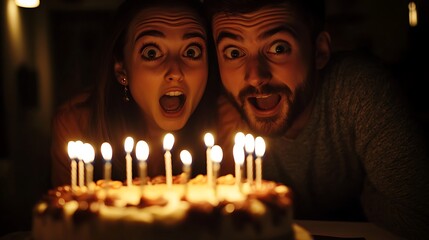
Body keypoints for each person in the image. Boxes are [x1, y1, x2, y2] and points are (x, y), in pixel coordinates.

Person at [203, 0, 429, 238]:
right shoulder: (213, 115)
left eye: (278, 48)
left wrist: (362, 203)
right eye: (234, 53)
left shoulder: (357, 90)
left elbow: (420, 216)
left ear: (319, 51)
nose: (255, 76)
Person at [51, 0, 219, 187]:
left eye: (191, 52)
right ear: (122, 70)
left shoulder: (225, 122)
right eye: (152, 53)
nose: (175, 72)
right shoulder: (77, 125)